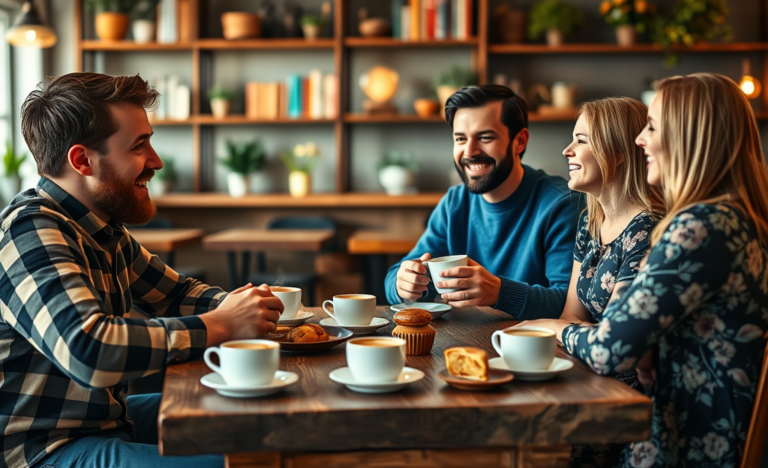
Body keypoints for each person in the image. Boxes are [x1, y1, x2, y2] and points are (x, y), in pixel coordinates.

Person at [0, 73, 284, 468]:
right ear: (83, 160)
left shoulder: (101, 227)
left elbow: (175, 295)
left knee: (262, 419)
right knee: (247, 463)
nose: (156, 161)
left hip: (104, 420)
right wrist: (221, 325)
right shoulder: (30, 230)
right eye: (139, 146)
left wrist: (247, 306)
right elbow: (90, 349)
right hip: (45, 449)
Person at [516, 73, 768, 467]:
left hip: (682, 441)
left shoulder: (698, 228)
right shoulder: (730, 218)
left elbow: (608, 350)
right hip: (703, 428)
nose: (639, 140)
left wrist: (552, 328)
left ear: (688, 136)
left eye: (651, 127)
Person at [385, 85, 578, 318]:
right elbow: (396, 275)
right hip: (462, 342)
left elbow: (571, 303)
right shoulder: (454, 203)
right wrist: (403, 284)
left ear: (520, 141)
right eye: (460, 138)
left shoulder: (561, 204)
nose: (469, 151)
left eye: (485, 137)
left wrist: (499, 292)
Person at [560, 97, 665, 467]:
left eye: (582, 140)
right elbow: (572, 315)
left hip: (626, 404)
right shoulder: (591, 223)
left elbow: (621, 348)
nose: (567, 150)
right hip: (591, 382)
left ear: (618, 153)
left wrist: (548, 329)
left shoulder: (648, 228)